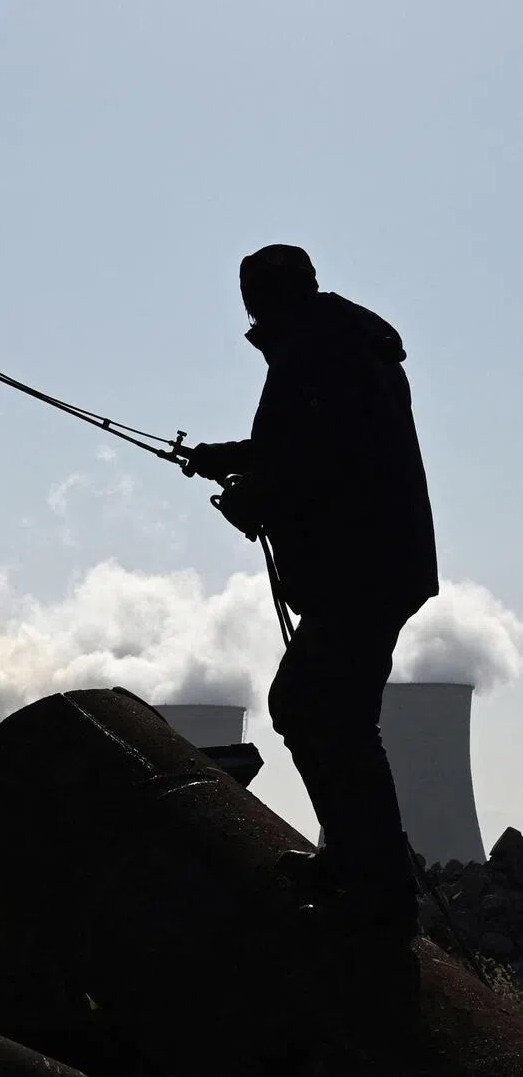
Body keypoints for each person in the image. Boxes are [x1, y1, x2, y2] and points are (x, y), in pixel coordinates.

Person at [183, 244, 438, 946]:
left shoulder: (315, 352)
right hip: (377, 564)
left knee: (318, 708)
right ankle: (356, 867)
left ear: (264, 297)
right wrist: (235, 460)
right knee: (330, 711)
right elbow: (310, 436)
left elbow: (323, 455)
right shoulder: (336, 343)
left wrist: (253, 499)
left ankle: (378, 891)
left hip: (363, 567)